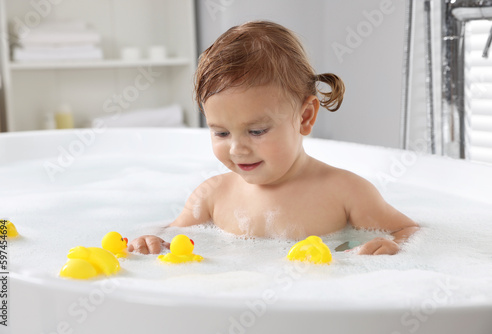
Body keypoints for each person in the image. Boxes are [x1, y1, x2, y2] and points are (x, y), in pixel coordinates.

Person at [128, 20, 419, 256]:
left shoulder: (346, 192)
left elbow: (409, 232)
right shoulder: (211, 196)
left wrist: (394, 245)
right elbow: (171, 236)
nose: (237, 148)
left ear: (305, 117)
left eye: (256, 131)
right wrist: (152, 242)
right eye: (221, 132)